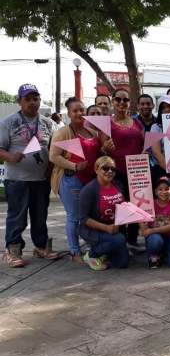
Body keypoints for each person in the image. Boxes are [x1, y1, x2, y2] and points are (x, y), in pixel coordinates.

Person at [0, 84, 58, 267]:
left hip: (41, 180)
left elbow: (56, 149)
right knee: (17, 216)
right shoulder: (7, 122)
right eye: (28, 99)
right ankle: (13, 250)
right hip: (17, 180)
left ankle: (41, 247)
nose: (33, 102)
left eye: (36, 99)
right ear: (19, 101)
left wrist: (50, 169)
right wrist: (10, 156)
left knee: (40, 215)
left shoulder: (49, 123)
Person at [50, 98, 101, 262]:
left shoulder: (92, 132)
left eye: (81, 110)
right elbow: (53, 156)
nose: (79, 113)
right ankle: (74, 252)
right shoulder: (64, 132)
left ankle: (89, 245)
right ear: (69, 113)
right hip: (71, 180)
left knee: (87, 215)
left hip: (90, 180)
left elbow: (97, 153)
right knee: (74, 216)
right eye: (75, 111)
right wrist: (74, 166)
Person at [98, 88, 144, 249]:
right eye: (118, 99)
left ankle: (132, 239)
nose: (122, 103)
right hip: (117, 172)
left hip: (137, 172)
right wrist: (105, 148)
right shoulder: (107, 124)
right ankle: (121, 241)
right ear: (113, 102)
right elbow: (102, 150)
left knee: (135, 205)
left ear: (130, 103)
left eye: (125, 100)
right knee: (120, 207)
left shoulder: (137, 122)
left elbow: (142, 145)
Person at [78, 156, 130, 270]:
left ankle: (105, 252)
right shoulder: (89, 190)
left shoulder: (118, 184)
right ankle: (91, 255)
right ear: (96, 169)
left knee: (122, 263)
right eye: (105, 168)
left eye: (113, 169)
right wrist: (106, 228)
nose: (110, 171)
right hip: (96, 229)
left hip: (114, 229)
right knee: (119, 240)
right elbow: (83, 218)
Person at [140, 177, 170, 269]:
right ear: (155, 191)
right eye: (160, 189)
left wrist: (152, 230)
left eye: (167, 189)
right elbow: (141, 218)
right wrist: (141, 224)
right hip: (154, 237)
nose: (163, 192)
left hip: (169, 236)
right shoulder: (149, 204)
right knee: (156, 240)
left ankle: (163, 252)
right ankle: (154, 255)